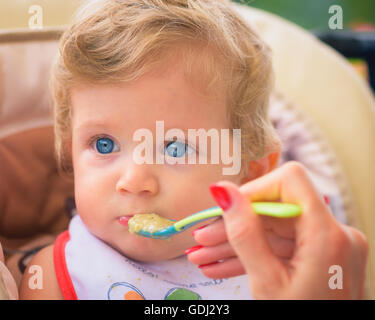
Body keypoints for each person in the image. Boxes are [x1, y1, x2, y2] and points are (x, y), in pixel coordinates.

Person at [19, 0, 368, 300]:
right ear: (71, 156)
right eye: (103, 144)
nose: (135, 180)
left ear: (251, 170)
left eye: (175, 148)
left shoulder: (287, 272)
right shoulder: (56, 273)